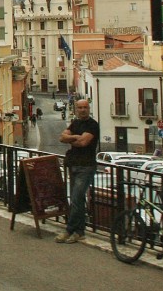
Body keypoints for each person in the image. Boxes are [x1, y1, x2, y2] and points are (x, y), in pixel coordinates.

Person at [56, 99, 100, 244]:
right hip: (74, 165)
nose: (82, 110)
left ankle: (69, 230)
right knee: (78, 200)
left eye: (85, 107)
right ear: (76, 109)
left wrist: (72, 139)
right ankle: (79, 231)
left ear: (89, 108)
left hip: (86, 166)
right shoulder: (75, 123)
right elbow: (62, 137)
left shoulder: (93, 125)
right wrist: (75, 137)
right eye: (80, 107)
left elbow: (83, 143)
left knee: (76, 198)